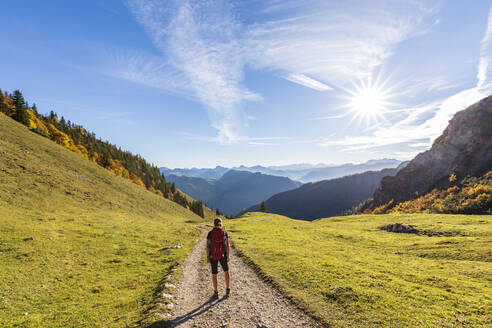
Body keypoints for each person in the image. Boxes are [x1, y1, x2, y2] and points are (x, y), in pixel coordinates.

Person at [206, 218, 231, 298]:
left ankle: (216, 292)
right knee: (226, 271)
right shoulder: (224, 232)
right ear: (221, 224)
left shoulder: (210, 233)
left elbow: (207, 246)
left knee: (214, 273)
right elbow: (227, 245)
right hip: (223, 255)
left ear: (214, 224)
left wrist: (207, 256)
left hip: (213, 255)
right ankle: (227, 289)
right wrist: (228, 255)